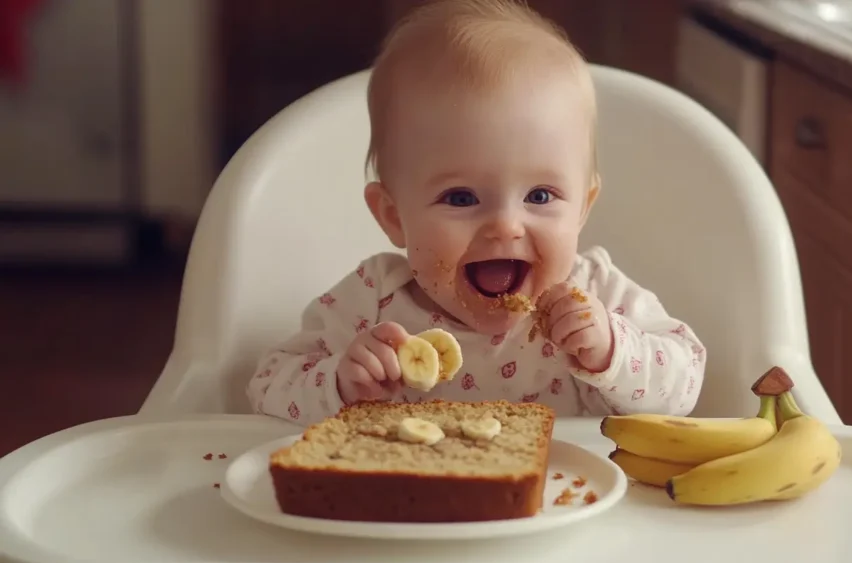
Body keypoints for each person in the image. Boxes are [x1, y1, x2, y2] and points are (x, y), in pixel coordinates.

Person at [247, 0, 706, 426]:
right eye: (461, 198)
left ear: (582, 209)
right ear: (392, 216)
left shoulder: (595, 295)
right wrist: (342, 384)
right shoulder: (372, 302)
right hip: (407, 507)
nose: (506, 226)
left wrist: (613, 352)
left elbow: (685, 386)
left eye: (541, 196)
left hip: (569, 502)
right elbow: (267, 386)